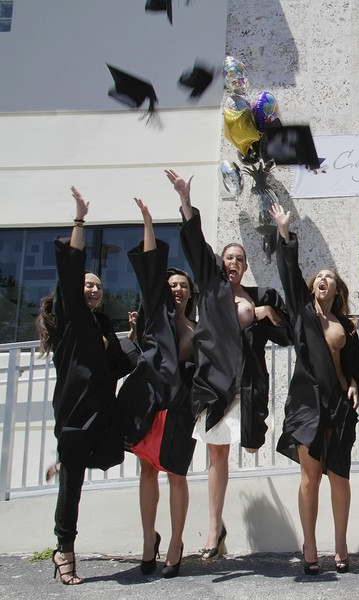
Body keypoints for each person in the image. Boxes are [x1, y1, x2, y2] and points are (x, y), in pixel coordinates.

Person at [165, 169, 289, 559]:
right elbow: (195, 247)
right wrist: (186, 203)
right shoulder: (212, 288)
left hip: (249, 385)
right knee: (216, 454)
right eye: (228, 257)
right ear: (222, 263)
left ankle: (218, 524)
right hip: (216, 384)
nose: (233, 262)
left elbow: (287, 336)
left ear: (247, 266)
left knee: (251, 448)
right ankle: (213, 529)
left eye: (240, 259)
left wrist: (268, 312)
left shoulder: (261, 294)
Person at [37, 187, 136, 585]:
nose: (92, 289)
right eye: (86, 284)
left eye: (97, 285)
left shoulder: (101, 326)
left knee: (114, 452)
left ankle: (66, 463)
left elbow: (118, 366)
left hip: (103, 411)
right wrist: (80, 221)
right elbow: (71, 269)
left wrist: (132, 335)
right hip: (76, 412)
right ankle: (64, 548)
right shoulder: (72, 318)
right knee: (72, 489)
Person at [271, 203, 359, 575]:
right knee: (310, 478)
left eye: (329, 276)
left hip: (340, 406)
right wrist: (284, 233)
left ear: (337, 289)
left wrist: (356, 385)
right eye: (318, 276)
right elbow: (289, 273)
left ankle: (340, 544)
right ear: (312, 287)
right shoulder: (302, 314)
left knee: (340, 476)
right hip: (308, 405)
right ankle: (310, 545)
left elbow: (355, 369)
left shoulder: (347, 325)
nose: (323, 280)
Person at [118, 197, 198, 578]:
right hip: (150, 404)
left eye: (183, 285)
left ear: (190, 293)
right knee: (147, 473)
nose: (177, 289)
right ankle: (148, 540)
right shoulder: (156, 317)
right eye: (172, 284)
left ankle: (176, 543)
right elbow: (150, 269)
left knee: (176, 474)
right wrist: (149, 223)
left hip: (178, 408)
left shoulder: (198, 332)